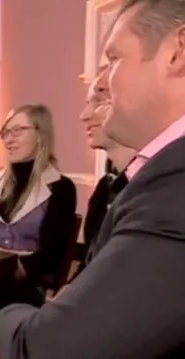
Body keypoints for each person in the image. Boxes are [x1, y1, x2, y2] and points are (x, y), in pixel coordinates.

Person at [0, 1, 185, 357]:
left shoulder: (174, 185)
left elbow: (43, 349)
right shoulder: (156, 176)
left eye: (113, 60)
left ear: (178, 51)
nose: (104, 83)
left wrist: (0, 314)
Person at [0, 104, 77, 291]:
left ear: (40, 135)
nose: (8, 140)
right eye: (5, 132)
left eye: (17, 131)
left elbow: (52, 255)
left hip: (29, 283)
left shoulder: (61, 188)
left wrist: (9, 265)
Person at [72, 70, 135, 281]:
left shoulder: (160, 188)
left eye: (99, 100)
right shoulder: (104, 190)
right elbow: (90, 268)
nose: (84, 115)